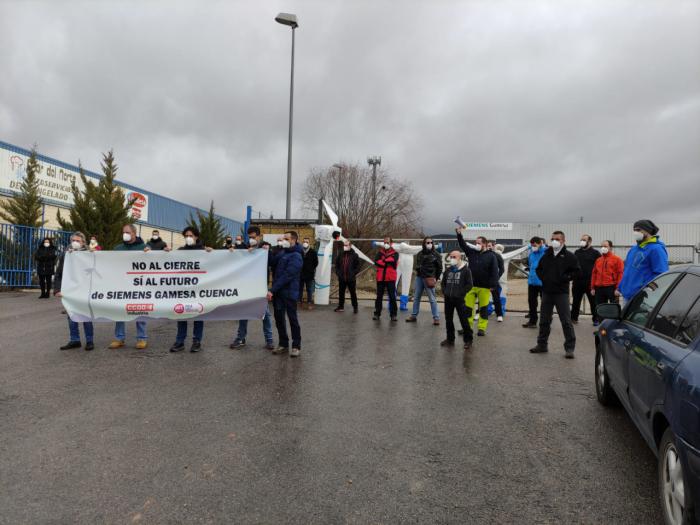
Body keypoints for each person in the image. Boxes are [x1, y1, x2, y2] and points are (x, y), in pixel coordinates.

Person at [529, 230, 581, 358]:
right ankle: (542, 345)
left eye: (557, 239)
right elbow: (539, 269)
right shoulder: (546, 255)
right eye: (553, 238)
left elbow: (577, 272)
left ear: (563, 240)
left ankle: (569, 348)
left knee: (566, 321)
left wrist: (565, 278)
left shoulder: (569, 256)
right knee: (544, 320)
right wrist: (544, 279)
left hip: (561, 293)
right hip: (547, 292)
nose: (554, 241)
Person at [230, 226, 275, 350]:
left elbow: (273, 262)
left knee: (264, 313)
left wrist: (267, 251)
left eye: (253, 237)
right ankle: (240, 338)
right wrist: (232, 251)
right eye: (249, 237)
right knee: (243, 312)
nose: (251, 239)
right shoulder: (243, 247)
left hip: (260, 286)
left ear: (259, 236)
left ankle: (269, 340)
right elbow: (230, 256)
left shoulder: (265, 247)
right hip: (245, 285)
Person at [170, 226, 211, 353]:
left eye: (191, 235)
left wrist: (213, 252)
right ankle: (180, 341)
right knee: (181, 314)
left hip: (198, 289)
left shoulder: (204, 251)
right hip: (183, 288)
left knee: (198, 315)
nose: (188, 238)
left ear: (196, 237)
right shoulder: (181, 251)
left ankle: (197, 341)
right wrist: (164, 252)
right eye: (186, 236)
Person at [110, 224, 148, 350]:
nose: (124, 234)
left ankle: (142, 338)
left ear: (134, 233)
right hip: (121, 285)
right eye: (123, 232)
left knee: (140, 310)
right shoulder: (118, 248)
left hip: (138, 285)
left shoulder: (143, 248)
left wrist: (150, 253)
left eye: (127, 232)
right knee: (120, 312)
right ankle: (119, 338)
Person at [54, 232, 94, 351]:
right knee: (71, 316)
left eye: (78, 240)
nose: (75, 243)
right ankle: (75, 340)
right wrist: (56, 289)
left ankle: (90, 341)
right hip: (70, 291)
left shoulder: (89, 254)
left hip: (85, 291)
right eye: (73, 240)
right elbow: (59, 273)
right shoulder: (66, 254)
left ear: (83, 242)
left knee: (86, 316)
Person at [455, 230, 499, 337]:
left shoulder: (491, 256)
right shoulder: (472, 253)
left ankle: (481, 328)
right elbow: (463, 245)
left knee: (483, 308)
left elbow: (494, 271)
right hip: (471, 285)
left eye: (479, 243)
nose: (477, 245)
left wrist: (493, 285)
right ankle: (467, 327)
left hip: (485, 287)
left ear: (484, 244)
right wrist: (459, 234)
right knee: (468, 308)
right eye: (476, 243)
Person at [618, 219, 669, 306]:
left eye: (638, 230)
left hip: (643, 299)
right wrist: (620, 288)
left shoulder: (656, 249)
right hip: (627, 296)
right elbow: (627, 270)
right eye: (634, 230)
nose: (635, 232)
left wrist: (646, 291)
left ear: (647, 230)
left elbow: (661, 275)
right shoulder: (633, 249)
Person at [269, 231, 303, 357]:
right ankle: (283, 344)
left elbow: (287, 276)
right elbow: (271, 261)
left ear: (293, 240)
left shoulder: (296, 256)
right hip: (279, 294)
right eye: (283, 238)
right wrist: (267, 248)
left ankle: (296, 346)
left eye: (286, 239)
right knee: (279, 320)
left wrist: (272, 290)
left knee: (292, 319)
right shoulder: (282, 253)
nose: (283, 240)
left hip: (289, 293)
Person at [440, 250, 474, 349]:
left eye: (454, 257)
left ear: (459, 258)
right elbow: (443, 283)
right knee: (448, 319)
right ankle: (450, 339)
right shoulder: (448, 270)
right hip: (448, 299)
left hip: (459, 299)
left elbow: (469, 285)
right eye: (451, 257)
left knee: (464, 320)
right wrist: (445, 292)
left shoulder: (466, 270)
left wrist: (460, 293)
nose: (452, 259)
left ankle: (468, 340)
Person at [406, 237, 443, 325]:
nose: (429, 244)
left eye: (431, 242)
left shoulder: (436, 254)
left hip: (430, 278)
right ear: (424, 243)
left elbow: (440, 268)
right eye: (427, 242)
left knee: (432, 299)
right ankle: (414, 316)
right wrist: (418, 269)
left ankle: (436, 317)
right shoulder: (419, 254)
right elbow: (417, 265)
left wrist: (435, 278)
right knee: (416, 298)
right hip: (419, 278)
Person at [590, 240, 624, 324]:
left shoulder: (617, 259)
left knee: (614, 308)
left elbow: (621, 274)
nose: (603, 248)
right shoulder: (598, 260)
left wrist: (618, 288)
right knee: (600, 308)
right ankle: (602, 324)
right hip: (599, 288)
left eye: (605, 246)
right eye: (601, 246)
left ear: (610, 247)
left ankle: (614, 324)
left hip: (611, 287)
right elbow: (594, 274)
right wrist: (592, 287)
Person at [571, 234, 600, 325]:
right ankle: (573, 318)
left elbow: (599, 267)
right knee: (576, 301)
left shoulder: (595, 253)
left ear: (589, 242)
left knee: (593, 302)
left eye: (584, 240)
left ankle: (596, 319)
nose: (582, 241)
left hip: (590, 283)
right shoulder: (577, 252)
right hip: (577, 282)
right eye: (581, 240)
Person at [522, 237, 546, 328]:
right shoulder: (531, 254)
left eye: (535, 245)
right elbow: (531, 265)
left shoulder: (546, 252)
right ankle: (532, 321)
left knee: (545, 304)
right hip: (532, 282)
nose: (533, 247)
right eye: (532, 245)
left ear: (540, 243)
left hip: (543, 283)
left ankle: (545, 322)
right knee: (531, 302)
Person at [373, 237, 399, 322]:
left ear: (391, 243)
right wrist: (386, 262)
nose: (386, 244)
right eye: (384, 242)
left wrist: (383, 261)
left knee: (392, 297)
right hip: (380, 277)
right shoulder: (379, 252)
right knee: (379, 297)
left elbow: (393, 260)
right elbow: (376, 261)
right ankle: (377, 313)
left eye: (387, 242)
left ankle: (393, 315)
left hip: (390, 278)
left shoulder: (395, 253)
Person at [334, 239, 360, 313]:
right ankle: (340, 307)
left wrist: (353, 273)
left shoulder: (354, 255)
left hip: (351, 278)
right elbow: (337, 265)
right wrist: (338, 273)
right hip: (342, 278)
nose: (345, 246)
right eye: (344, 245)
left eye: (346, 245)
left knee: (353, 293)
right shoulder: (341, 254)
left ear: (350, 246)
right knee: (341, 293)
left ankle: (355, 307)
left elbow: (358, 266)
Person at [299, 237, 319, 309]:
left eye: (307, 242)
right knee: (300, 289)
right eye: (304, 242)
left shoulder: (313, 252)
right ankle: (299, 301)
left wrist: (311, 269)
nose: (305, 243)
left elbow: (316, 262)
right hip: (300, 273)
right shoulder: (300, 251)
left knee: (309, 289)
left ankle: (309, 302)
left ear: (309, 243)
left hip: (309, 274)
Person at [488, 240, 505, 322]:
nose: (489, 247)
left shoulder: (497, 256)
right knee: (481, 298)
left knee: (496, 298)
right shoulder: (481, 255)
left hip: (493, 281)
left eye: (490, 245)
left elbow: (502, 269)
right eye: (487, 245)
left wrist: (496, 278)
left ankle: (499, 314)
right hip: (482, 281)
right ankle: (479, 312)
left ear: (493, 246)